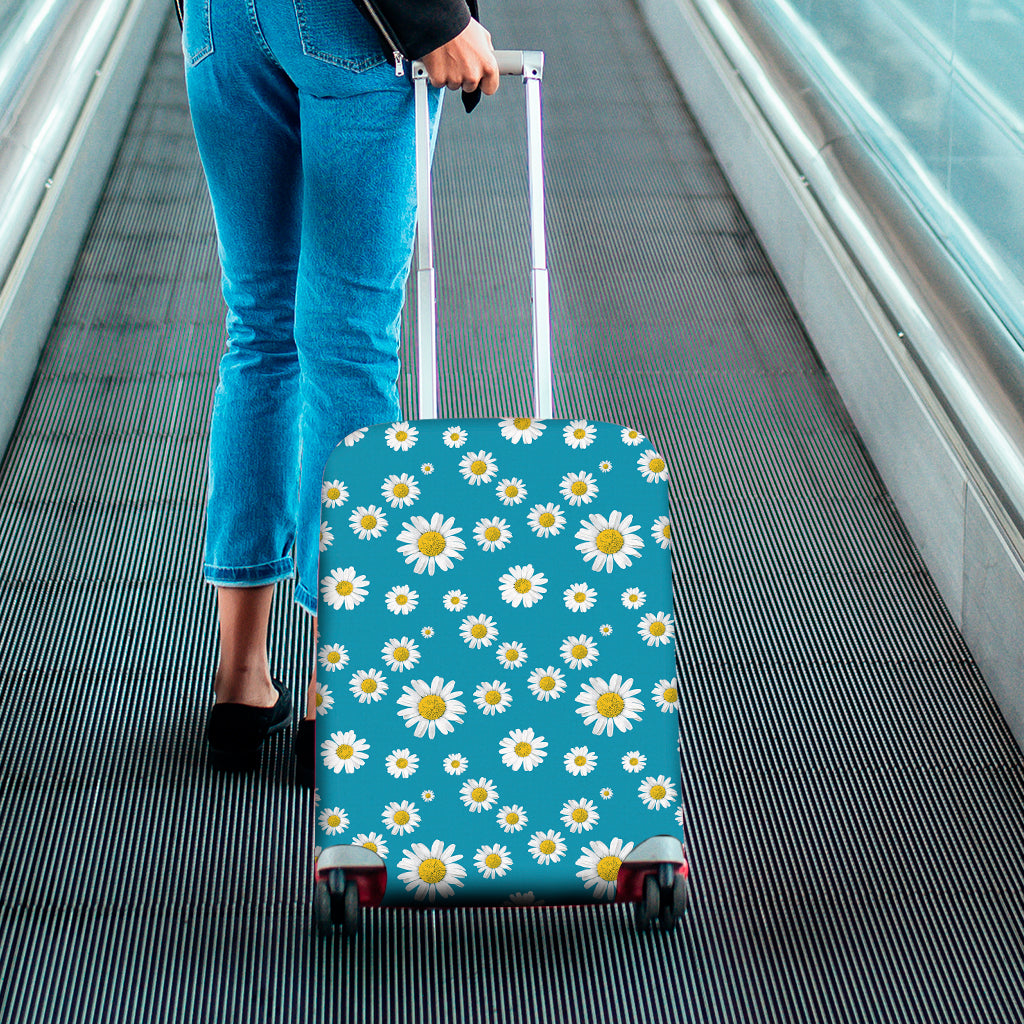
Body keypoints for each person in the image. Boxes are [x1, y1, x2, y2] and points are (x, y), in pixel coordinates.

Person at [182, 0, 499, 776]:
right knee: (348, 346)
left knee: (259, 333)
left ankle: (241, 679)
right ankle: (341, 695)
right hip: (352, 28)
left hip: (220, 25)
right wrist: (433, 18)